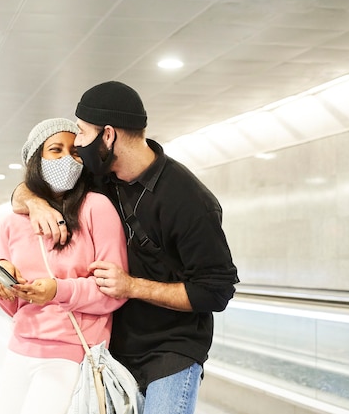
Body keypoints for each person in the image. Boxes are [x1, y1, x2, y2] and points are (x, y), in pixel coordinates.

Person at [12, 82, 239, 414]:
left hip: (172, 351)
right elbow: (32, 184)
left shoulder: (189, 200)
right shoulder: (97, 176)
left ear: (107, 136)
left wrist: (132, 286)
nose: (78, 145)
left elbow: (216, 292)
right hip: (112, 348)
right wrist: (35, 205)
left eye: (83, 135)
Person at [0, 118, 129, 414]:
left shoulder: (96, 208)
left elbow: (114, 292)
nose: (67, 159)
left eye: (75, 152)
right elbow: (14, 308)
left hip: (72, 354)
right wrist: (4, 286)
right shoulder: (12, 222)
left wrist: (58, 290)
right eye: (55, 150)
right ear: (35, 159)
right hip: (19, 349)